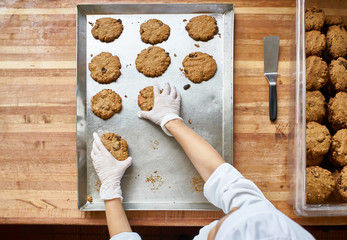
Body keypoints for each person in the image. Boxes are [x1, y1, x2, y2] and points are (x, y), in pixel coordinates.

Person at [91, 82, 315, 240]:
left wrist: (110, 190)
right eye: (235, 211)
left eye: (222, 225)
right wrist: (171, 121)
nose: (233, 208)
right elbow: (224, 180)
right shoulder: (271, 227)